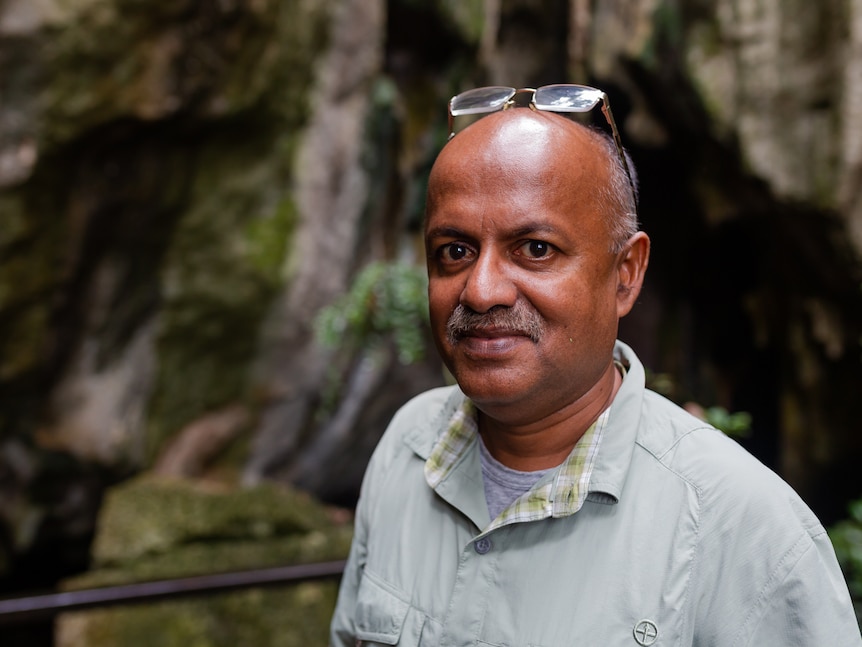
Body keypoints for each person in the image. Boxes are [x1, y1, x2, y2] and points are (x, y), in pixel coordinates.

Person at [329, 85, 862, 646]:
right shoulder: (405, 450)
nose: (482, 290)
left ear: (626, 273)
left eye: (535, 248)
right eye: (455, 251)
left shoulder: (746, 530)